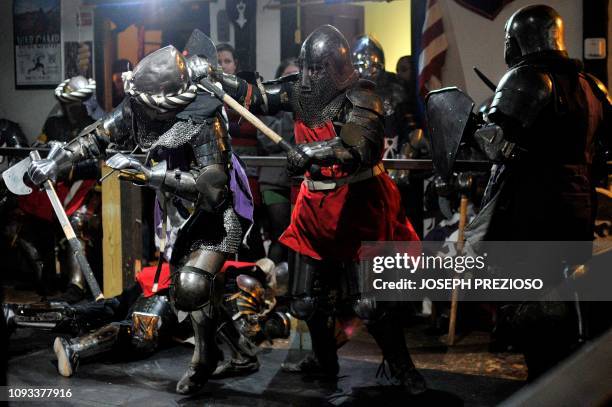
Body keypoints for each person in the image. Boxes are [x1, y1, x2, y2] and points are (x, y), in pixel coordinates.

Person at [206, 25, 426, 393]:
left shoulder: (362, 94)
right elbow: (257, 95)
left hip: (359, 205)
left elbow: (361, 146)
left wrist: (314, 151)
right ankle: (324, 362)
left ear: (337, 67)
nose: (308, 77)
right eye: (306, 67)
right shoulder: (301, 91)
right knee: (307, 301)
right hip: (314, 206)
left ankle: (403, 368)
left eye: (317, 68)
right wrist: (214, 78)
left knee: (371, 304)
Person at [26, 42, 254, 394]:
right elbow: (97, 137)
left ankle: (204, 360)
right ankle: (241, 353)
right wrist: (54, 164)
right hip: (177, 206)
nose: (140, 113)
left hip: (216, 208)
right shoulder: (137, 104)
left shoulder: (204, 113)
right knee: (192, 287)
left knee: (191, 284)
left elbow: (213, 189)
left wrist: (152, 176)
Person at [465, 5, 610, 379]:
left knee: (529, 298)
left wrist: (473, 123)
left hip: (533, 205)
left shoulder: (526, 78)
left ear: (520, 38)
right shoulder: (592, 85)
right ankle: (561, 378)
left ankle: (543, 380)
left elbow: (494, 145)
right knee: (560, 287)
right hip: (579, 204)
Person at [217, 43, 266, 262]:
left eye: (227, 61)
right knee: (221, 226)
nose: (222, 65)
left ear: (235, 65)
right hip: (218, 168)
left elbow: (258, 127)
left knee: (248, 224)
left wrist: (230, 126)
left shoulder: (246, 91)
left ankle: (254, 277)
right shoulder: (207, 94)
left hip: (247, 170)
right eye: (218, 61)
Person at [257, 59, 299, 265]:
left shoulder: (314, 106)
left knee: (302, 239)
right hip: (273, 179)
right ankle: (271, 290)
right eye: (289, 78)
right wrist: (293, 113)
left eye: (298, 77)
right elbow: (268, 140)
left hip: (302, 180)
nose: (294, 84)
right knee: (280, 236)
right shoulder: (268, 104)